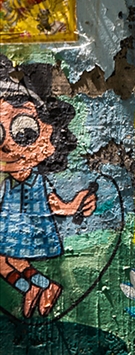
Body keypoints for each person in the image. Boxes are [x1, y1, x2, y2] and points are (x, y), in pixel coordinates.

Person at [0, 55, 96, 318]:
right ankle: (35, 287)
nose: (7, 145)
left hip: (27, 231)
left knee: (11, 261)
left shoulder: (34, 181)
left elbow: (50, 201)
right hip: (9, 232)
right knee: (3, 263)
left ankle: (47, 286)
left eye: (24, 132)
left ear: (50, 136)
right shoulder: (9, 182)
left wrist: (71, 206)